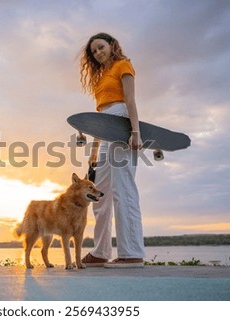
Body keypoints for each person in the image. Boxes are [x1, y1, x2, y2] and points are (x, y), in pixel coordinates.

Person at [79, 32, 145, 268]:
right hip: (105, 131)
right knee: (100, 194)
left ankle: (131, 252)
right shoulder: (99, 80)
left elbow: (130, 101)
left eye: (100, 47)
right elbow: (100, 118)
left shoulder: (123, 65)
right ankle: (100, 251)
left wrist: (135, 132)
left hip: (122, 124)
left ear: (112, 45)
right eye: (93, 51)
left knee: (122, 189)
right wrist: (94, 149)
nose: (97, 53)